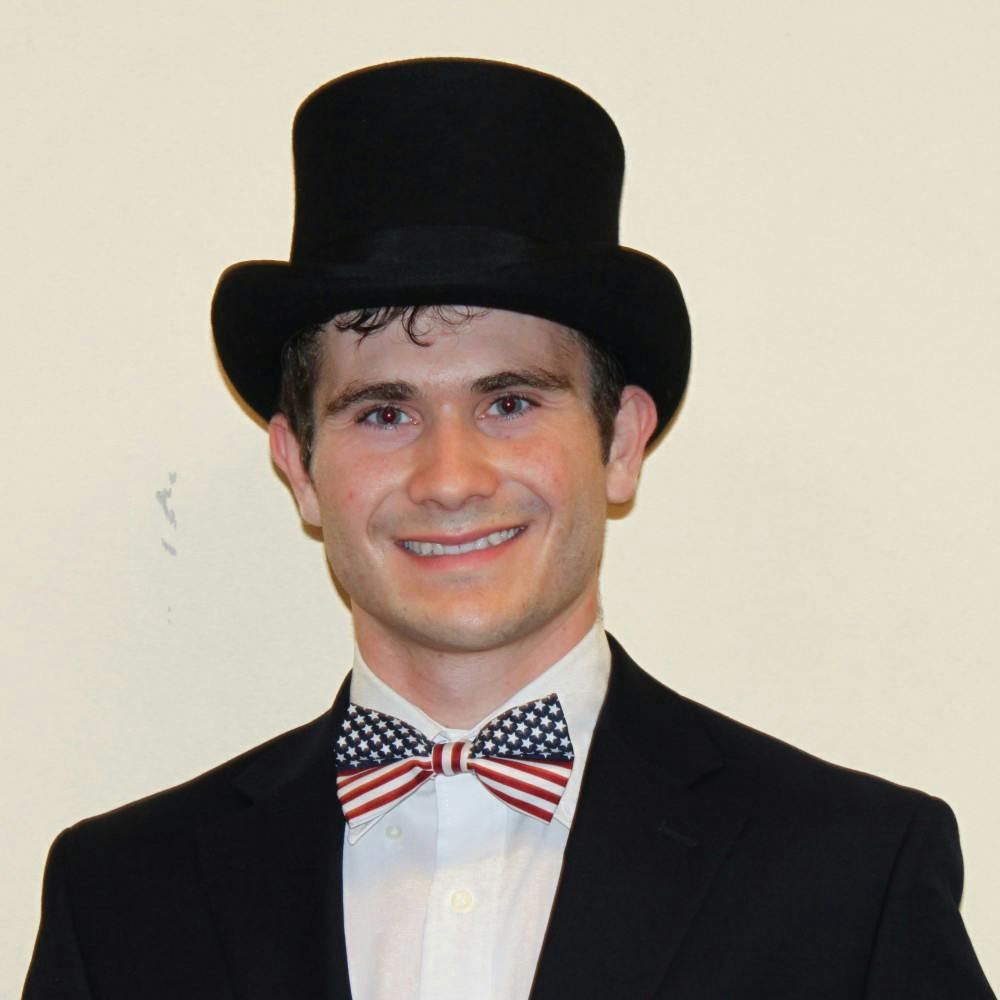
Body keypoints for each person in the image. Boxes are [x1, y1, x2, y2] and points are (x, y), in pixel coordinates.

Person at [24, 57, 994, 1000]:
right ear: (300, 466)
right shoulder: (118, 899)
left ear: (620, 443)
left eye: (510, 403)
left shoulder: (849, 877)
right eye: (384, 412)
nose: (450, 479)